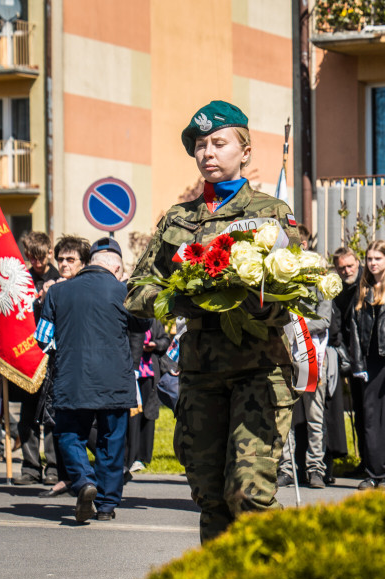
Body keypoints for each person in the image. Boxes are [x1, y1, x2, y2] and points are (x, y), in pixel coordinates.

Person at [126, 100, 300, 541]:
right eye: (200, 145)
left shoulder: (271, 213)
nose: (208, 153)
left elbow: (300, 286)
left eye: (219, 143)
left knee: (249, 493)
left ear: (244, 150)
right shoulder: (177, 220)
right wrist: (181, 299)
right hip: (201, 375)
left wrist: (262, 303)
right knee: (209, 494)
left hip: (258, 372)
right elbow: (137, 290)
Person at [36, 237, 148, 522]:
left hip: (72, 381)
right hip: (115, 382)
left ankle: (85, 481)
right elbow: (143, 325)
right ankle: (107, 506)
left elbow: (43, 339)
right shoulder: (122, 291)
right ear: (117, 269)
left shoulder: (58, 292)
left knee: (70, 435)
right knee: (111, 441)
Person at [346, 240, 385, 489]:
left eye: (377, 259)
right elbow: (353, 326)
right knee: (371, 418)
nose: (372, 263)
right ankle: (373, 472)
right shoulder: (362, 288)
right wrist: (357, 362)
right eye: (369, 259)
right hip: (368, 362)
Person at [38, 236, 92, 499]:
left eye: (71, 259)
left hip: (80, 368)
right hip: (61, 367)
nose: (63, 264)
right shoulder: (53, 290)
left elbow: (43, 337)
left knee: (76, 425)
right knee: (58, 423)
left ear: (84, 263)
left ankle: (95, 474)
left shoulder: (64, 291)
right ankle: (67, 477)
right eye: (60, 259)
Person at [12, 232, 61, 485]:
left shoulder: (60, 279)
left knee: (51, 415)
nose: (37, 262)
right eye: (32, 257)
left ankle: (54, 467)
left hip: (52, 357)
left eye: (41, 257)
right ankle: (30, 467)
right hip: (26, 356)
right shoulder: (22, 280)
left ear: (49, 252)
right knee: (28, 415)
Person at [276, 298, 334, 489]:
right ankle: (287, 468)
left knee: (315, 416)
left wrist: (297, 328)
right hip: (285, 354)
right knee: (285, 415)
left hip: (312, 355)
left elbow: (324, 320)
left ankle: (316, 467)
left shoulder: (320, 285)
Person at [329, 247, 362, 473]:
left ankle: (374, 461)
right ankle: (365, 460)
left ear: (358, 263)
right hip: (348, 354)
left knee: (369, 412)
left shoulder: (366, 286)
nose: (347, 270)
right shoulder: (337, 289)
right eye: (342, 268)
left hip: (367, 355)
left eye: (350, 266)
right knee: (359, 411)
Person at [126, 319, 172, 474]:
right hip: (132, 373)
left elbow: (165, 340)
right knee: (133, 416)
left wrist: (155, 345)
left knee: (149, 414)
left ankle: (145, 456)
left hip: (150, 374)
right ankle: (131, 456)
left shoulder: (154, 322)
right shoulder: (129, 320)